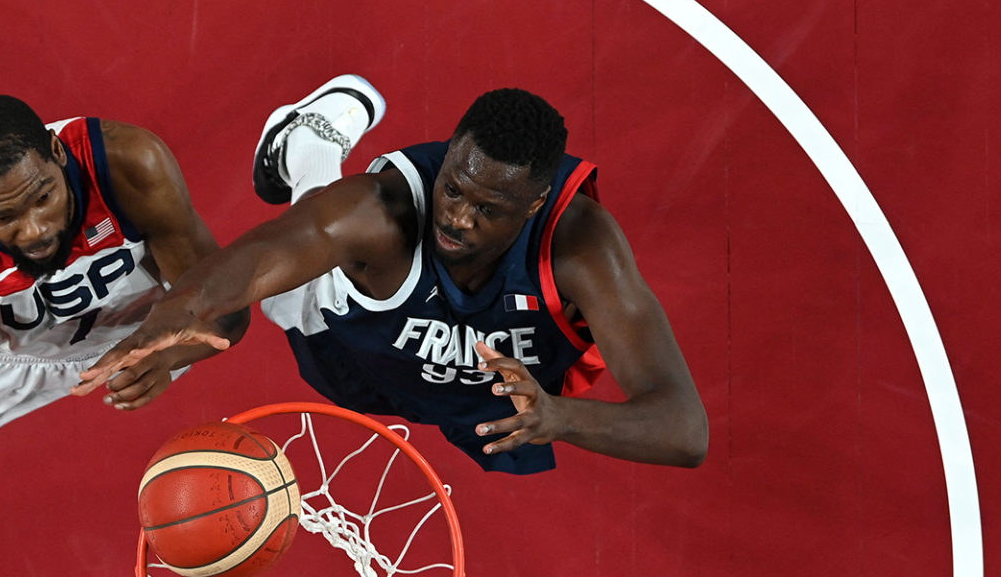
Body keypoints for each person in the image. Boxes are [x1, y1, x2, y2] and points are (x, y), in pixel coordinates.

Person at [74, 75, 706, 474]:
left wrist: (561, 419)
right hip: (348, 338)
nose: (456, 216)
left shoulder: (583, 249)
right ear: (451, 153)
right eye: (454, 186)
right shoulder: (384, 211)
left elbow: (683, 429)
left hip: (478, 403)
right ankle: (311, 142)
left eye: (488, 209)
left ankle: (313, 141)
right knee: (282, 288)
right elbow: (259, 256)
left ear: (535, 205)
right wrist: (173, 314)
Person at [0, 95, 246, 508]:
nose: (34, 230)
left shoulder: (130, 164)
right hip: (12, 350)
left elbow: (228, 313)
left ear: (57, 152)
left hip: (136, 324)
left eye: (43, 198)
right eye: (3, 217)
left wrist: (169, 355)